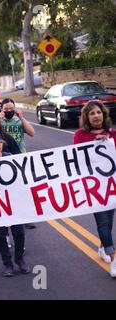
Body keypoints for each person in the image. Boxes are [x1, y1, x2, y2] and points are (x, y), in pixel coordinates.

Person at [73, 100, 116, 277]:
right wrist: (94, 144)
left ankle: (102, 248)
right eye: (92, 113)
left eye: (98, 112)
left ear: (103, 114)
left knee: (109, 222)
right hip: (94, 188)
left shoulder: (112, 133)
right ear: (87, 117)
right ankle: (113, 259)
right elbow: (76, 159)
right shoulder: (80, 135)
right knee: (103, 222)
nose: (96, 116)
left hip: (112, 186)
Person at [0, 130, 31, 277]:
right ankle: (7, 263)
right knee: (1, 234)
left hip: (13, 201)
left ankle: (19, 258)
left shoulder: (10, 158)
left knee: (19, 232)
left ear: (3, 144)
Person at [0, 98, 36, 230]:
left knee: (23, 190)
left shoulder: (18, 121)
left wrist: (22, 117)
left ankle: (25, 218)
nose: (9, 111)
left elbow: (32, 133)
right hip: (3, 160)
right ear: (1, 110)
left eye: (11, 109)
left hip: (20, 158)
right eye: (6, 109)